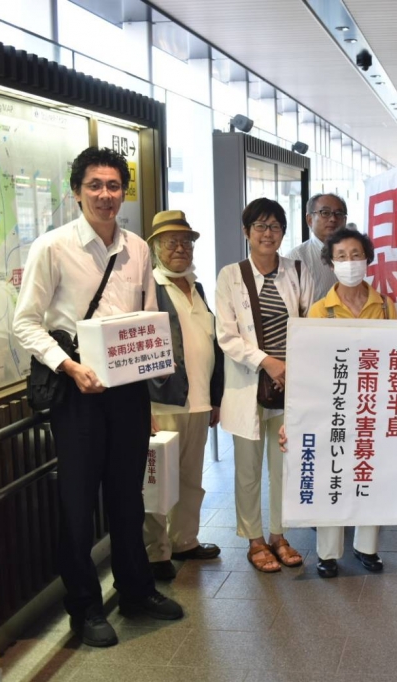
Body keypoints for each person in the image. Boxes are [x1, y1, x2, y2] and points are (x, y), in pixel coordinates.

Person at [13, 147, 182, 648]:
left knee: (129, 496)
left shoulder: (138, 248)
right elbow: (25, 322)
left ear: (124, 192)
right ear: (77, 190)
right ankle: (84, 608)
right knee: (78, 503)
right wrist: (68, 366)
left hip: (128, 393)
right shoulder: (53, 247)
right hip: (77, 391)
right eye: (95, 186)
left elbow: (149, 321)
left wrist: (149, 398)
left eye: (114, 186)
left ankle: (135, 591)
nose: (106, 195)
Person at [216, 198, 314, 573]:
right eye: (259, 226)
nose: (267, 233)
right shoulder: (230, 276)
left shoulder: (297, 271)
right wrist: (268, 362)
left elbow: (307, 322)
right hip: (248, 384)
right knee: (248, 467)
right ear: (246, 232)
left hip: (291, 383)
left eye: (274, 227)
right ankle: (254, 539)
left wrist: (290, 366)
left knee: (285, 463)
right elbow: (226, 335)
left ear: (284, 232)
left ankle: (279, 534)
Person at [301, 227, 397, 578]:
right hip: (334, 407)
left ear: (368, 259)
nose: (350, 262)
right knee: (333, 474)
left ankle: (366, 547)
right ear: (330, 263)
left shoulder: (386, 307)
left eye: (356, 255)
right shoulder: (318, 311)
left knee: (368, 474)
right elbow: (309, 366)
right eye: (341, 257)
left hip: (373, 407)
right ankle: (327, 553)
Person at [145, 210, 224, 581]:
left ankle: (184, 541)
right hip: (161, 403)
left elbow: (213, 346)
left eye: (186, 241)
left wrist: (216, 399)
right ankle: (156, 553)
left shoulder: (199, 287)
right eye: (170, 241)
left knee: (191, 477)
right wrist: (142, 406)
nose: (180, 248)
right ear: (156, 247)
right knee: (158, 481)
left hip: (199, 401)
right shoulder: (148, 288)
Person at [287, 193, 348, 301]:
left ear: (345, 220)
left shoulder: (355, 254)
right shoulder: (296, 258)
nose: (333, 219)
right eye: (325, 213)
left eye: (338, 213)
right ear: (309, 219)